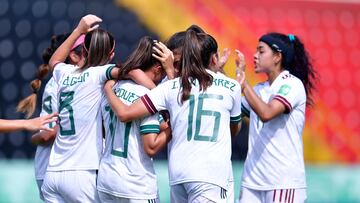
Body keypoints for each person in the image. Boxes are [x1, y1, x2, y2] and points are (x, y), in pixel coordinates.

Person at [104, 30, 242, 202]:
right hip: (211, 174)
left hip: (178, 174)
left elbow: (126, 112)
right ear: (213, 59)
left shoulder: (169, 86)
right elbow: (233, 129)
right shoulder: (231, 86)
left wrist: (108, 88)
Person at [40, 14, 121, 202]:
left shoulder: (65, 72)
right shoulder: (100, 73)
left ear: (83, 49)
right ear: (111, 55)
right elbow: (129, 71)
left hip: (53, 172)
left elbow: (54, 62)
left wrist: (79, 30)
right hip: (82, 173)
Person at [235, 33, 317, 203]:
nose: (255, 55)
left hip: (282, 182)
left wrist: (243, 84)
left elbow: (267, 113)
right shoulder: (259, 89)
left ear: (277, 57)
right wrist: (218, 73)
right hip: (252, 181)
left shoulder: (292, 84)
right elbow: (233, 113)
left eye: (261, 51)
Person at [97, 36, 172, 202]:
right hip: (136, 185)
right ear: (159, 68)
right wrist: (171, 129)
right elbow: (151, 147)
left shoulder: (112, 86)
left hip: (106, 181)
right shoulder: (150, 99)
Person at [16, 32, 85, 201]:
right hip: (59, 168)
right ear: (73, 55)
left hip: (48, 168)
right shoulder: (69, 82)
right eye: (87, 48)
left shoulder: (57, 81)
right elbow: (49, 134)